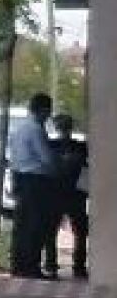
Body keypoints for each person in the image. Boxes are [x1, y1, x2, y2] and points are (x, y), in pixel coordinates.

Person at [8, 93, 60, 279]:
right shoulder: (35, 130)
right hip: (36, 181)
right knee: (35, 225)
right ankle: (31, 266)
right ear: (43, 109)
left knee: (21, 224)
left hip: (20, 177)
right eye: (48, 110)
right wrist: (58, 168)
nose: (49, 115)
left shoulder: (19, 128)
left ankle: (18, 265)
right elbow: (46, 158)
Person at [48, 113, 89, 280]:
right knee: (80, 231)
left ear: (57, 127)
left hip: (57, 192)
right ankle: (78, 266)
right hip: (76, 194)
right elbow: (86, 166)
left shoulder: (52, 146)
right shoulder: (80, 147)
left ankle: (51, 264)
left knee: (51, 230)